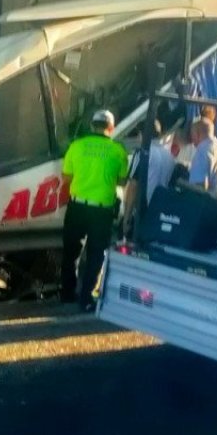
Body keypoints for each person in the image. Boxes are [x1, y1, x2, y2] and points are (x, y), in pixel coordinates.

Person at [61, 110, 130, 310]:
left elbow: (66, 177)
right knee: (96, 254)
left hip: (77, 206)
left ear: (92, 125)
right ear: (111, 128)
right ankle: (86, 298)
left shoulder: (76, 146)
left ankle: (67, 294)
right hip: (102, 210)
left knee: (71, 251)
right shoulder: (118, 151)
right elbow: (122, 180)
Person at [121, 120, 177, 240]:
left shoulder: (143, 152)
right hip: (161, 212)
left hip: (143, 211)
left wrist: (126, 218)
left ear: (143, 134)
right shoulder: (170, 157)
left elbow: (133, 186)